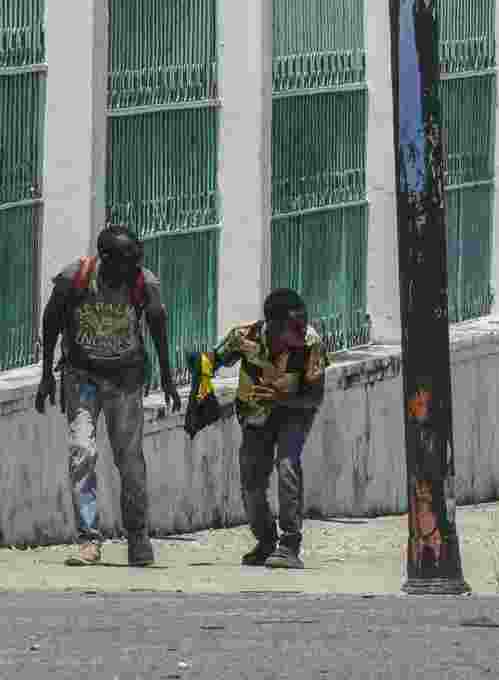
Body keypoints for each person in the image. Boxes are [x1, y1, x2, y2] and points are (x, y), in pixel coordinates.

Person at [34, 225, 182, 567]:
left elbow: (158, 325)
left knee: (129, 462)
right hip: (80, 376)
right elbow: (51, 321)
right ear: (104, 259)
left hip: (125, 381)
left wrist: (168, 377)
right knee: (82, 452)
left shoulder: (145, 283)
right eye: (125, 263)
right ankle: (89, 540)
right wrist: (45, 377)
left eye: (136, 262)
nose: (133, 270)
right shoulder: (75, 278)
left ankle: (138, 536)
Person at [209, 289, 328, 569]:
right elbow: (213, 360)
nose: (302, 330)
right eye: (294, 326)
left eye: (304, 322)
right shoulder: (244, 337)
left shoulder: (311, 342)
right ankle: (265, 541)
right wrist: (200, 383)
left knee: (287, 466)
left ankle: (289, 544)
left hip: (294, 412)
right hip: (255, 415)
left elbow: (315, 396)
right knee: (251, 480)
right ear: (272, 325)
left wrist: (281, 397)